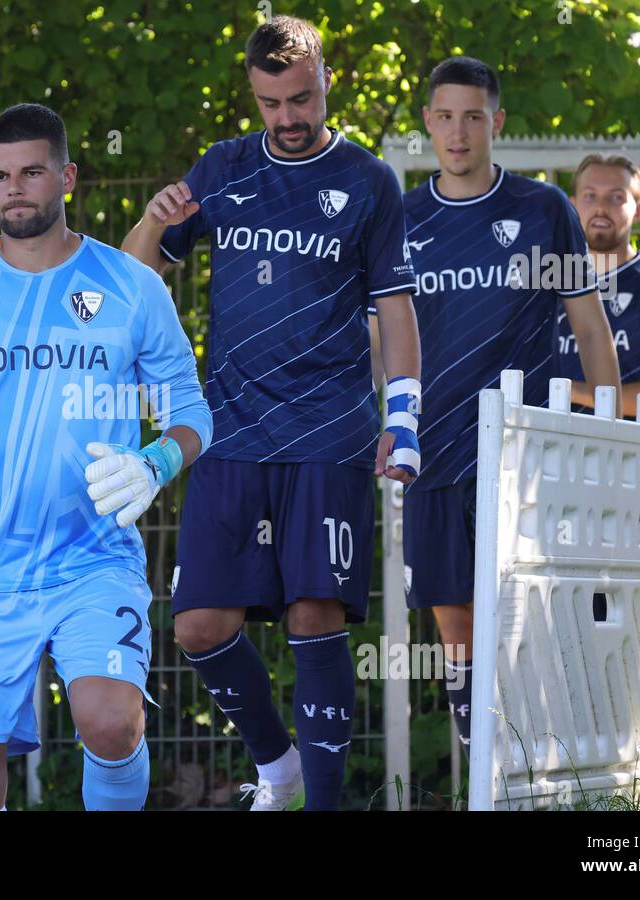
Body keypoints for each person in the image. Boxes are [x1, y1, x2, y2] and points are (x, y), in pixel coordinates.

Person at [121, 15, 422, 810]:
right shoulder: (221, 167)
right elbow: (128, 284)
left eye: (301, 98)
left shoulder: (368, 181)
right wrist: (155, 219)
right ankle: (279, 771)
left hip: (329, 430)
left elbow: (395, 310)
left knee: (315, 610)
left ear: (328, 81)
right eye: (270, 103)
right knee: (197, 626)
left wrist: (405, 417)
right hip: (229, 430)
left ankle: (322, 802)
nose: (288, 118)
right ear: (252, 96)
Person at [0, 102, 213, 810]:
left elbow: (191, 411)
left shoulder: (131, 284)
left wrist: (157, 463)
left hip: (94, 560)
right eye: (0, 176)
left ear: (66, 177)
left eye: (32, 172)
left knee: (112, 722)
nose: (15, 189)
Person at [389, 56, 620, 752]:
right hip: (431, 450)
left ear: (498, 122)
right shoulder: (400, 219)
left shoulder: (541, 209)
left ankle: (542, 759)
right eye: (446, 116)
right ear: (429, 122)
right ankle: (480, 758)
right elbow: (379, 336)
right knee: (453, 621)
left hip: (520, 449)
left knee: (528, 612)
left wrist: (606, 433)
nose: (459, 132)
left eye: (474, 116)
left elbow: (588, 326)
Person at [554, 153, 640, 421]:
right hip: (552, 457)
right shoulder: (549, 285)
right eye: (590, 195)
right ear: (572, 207)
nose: (601, 207)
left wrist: (568, 391)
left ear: (639, 210)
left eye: (616, 197)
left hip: (637, 458)